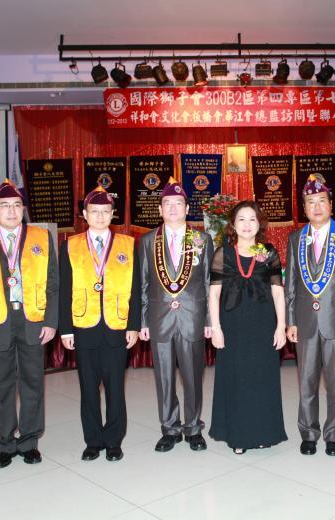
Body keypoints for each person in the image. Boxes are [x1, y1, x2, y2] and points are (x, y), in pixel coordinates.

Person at [0, 179, 58, 469]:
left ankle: (29, 442)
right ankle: (5, 443)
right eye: (4, 206)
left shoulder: (41, 237)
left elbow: (53, 284)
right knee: (1, 385)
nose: (12, 211)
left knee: (33, 382)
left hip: (33, 319)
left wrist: (51, 321)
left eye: (17, 205)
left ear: (23, 209)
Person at [59, 187, 140, 462]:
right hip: (84, 325)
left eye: (106, 211)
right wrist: (66, 329)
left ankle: (114, 440)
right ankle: (93, 441)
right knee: (88, 389)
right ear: (85, 214)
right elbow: (64, 289)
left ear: (113, 214)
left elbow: (136, 289)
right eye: (94, 211)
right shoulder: (70, 245)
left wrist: (133, 325)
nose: (100, 216)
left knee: (116, 388)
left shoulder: (127, 244)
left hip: (117, 325)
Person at [285, 174, 335, 457]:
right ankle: (308, 433)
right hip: (305, 322)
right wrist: (290, 320)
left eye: (321, 201)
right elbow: (291, 283)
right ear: (304, 208)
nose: (316, 207)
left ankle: (334, 435)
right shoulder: (296, 238)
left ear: (331, 205)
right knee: (306, 382)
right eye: (310, 202)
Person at [138, 178, 214, 452]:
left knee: (193, 376)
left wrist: (209, 320)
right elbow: (143, 283)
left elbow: (209, 282)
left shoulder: (202, 239)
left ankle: (193, 428)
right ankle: (169, 429)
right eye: (167, 203)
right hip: (159, 319)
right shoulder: (148, 241)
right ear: (160, 209)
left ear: (187, 208)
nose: (172, 208)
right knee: (164, 378)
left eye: (178, 203)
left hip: (192, 318)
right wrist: (143, 321)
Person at [208, 201, 288, 454]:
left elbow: (278, 292)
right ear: (233, 224)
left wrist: (281, 326)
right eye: (241, 219)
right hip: (232, 327)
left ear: (259, 224)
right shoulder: (223, 253)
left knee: (262, 379)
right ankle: (239, 436)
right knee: (237, 380)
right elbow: (214, 294)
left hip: (263, 326)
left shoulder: (268, 252)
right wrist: (216, 328)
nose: (246, 224)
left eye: (252, 219)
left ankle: (264, 433)